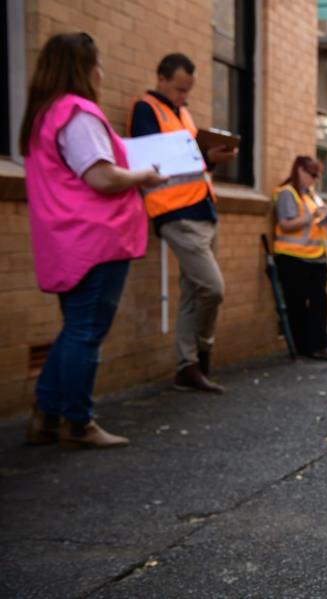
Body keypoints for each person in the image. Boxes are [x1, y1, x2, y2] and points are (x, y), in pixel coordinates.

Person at [21, 33, 167, 448]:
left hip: (65, 239)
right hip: (96, 239)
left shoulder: (44, 116)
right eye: (98, 63)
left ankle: (47, 417)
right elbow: (102, 177)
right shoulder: (78, 114)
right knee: (86, 332)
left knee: (75, 330)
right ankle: (78, 423)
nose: (102, 73)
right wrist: (146, 175)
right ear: (84, 68)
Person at [128, 53, 238, 394]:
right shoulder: (146, 110)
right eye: (178, 89)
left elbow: (191, 164)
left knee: (194, 292)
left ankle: (188, 368)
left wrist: (213, 158)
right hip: (175, 214)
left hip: (203, 211)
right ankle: (199, 355)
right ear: (160, 78)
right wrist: (205, 158)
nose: (183, 96)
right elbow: (154, 163)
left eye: (188, 90)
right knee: (212, 288)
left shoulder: (183, 113)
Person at [272, 156, 327, 361]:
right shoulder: (287, 193)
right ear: (299, 170)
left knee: (320, 303)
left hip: (316, 257)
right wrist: (314, 215)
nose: (314, 180)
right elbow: (286, 224)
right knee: (297, 305)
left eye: (317, 176)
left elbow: (318, 221)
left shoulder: (312, 195)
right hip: (293, 258)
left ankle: (320, 345)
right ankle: (304, 347)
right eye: (312, 175)